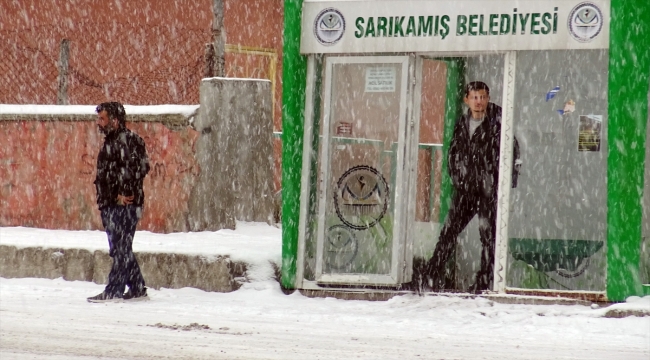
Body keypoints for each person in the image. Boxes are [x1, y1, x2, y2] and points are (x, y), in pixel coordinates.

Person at [426, 81, 520, 293]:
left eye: (483, 97)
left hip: (489, 191)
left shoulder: (498, 122)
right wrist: (459, 178)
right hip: (466, 190)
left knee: (488, 237)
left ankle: (484, 282)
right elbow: (453, 153)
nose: (479, 102)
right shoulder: (462, 122)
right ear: (466, 100)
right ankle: (432, 275)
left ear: (488, 98)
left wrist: (500, 184)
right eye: (475, 97)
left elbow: (511, 153)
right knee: (449, 232)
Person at [87, 102, 151, 303]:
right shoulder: (112, 141)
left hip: (124, 206)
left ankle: (114, 289)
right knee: (120, 248)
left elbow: (138, 169)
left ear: (114, 120)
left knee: (121, 248)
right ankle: (137, 287)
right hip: (110, 204)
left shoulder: (128, 141)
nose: (99, 123)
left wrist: (121, 194)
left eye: (102, 118)